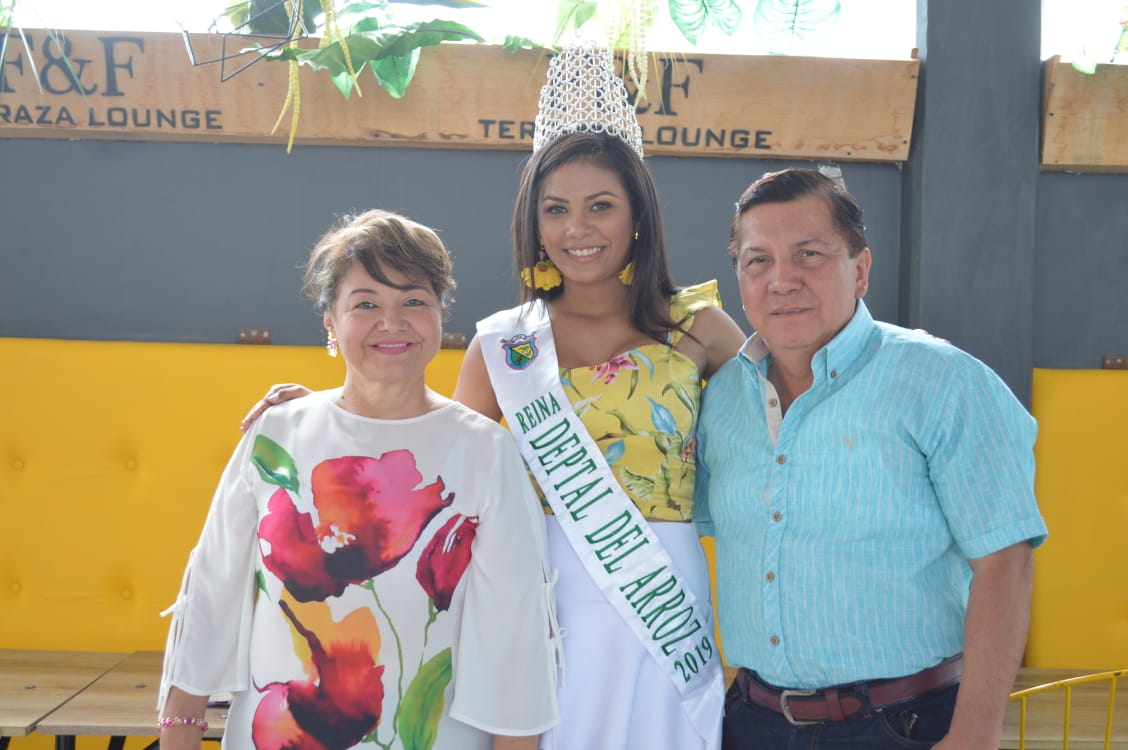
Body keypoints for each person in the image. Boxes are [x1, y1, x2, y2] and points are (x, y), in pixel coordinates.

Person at [240, 42, 747, 750]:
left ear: (637, 214)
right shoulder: (505, 345)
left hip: (661, 592)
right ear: (533, 223)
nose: (578, 229)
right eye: (556, 209)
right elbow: (439, 456)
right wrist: (322, 419)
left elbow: (786, 426)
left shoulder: (701, 328)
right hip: (536, 589)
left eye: (600, 206)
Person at [158, 209, 559, 750]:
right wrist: (180, 730)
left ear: (441, 313)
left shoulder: (487, 451)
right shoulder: (278, 432)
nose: (391, 322)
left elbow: (518, 635)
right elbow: (212, 589)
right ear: (330, 322)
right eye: (365, 303)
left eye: (413, 301)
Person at [694, 167, 1049, 750]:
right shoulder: (719, 401)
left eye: (809, 254)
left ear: (859, 269)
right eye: (758, 261)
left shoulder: (944, 381)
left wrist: (975, 734)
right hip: (751, 723)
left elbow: (1005, 565)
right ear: (739, 276)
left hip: (905, 725)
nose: (781, 280)